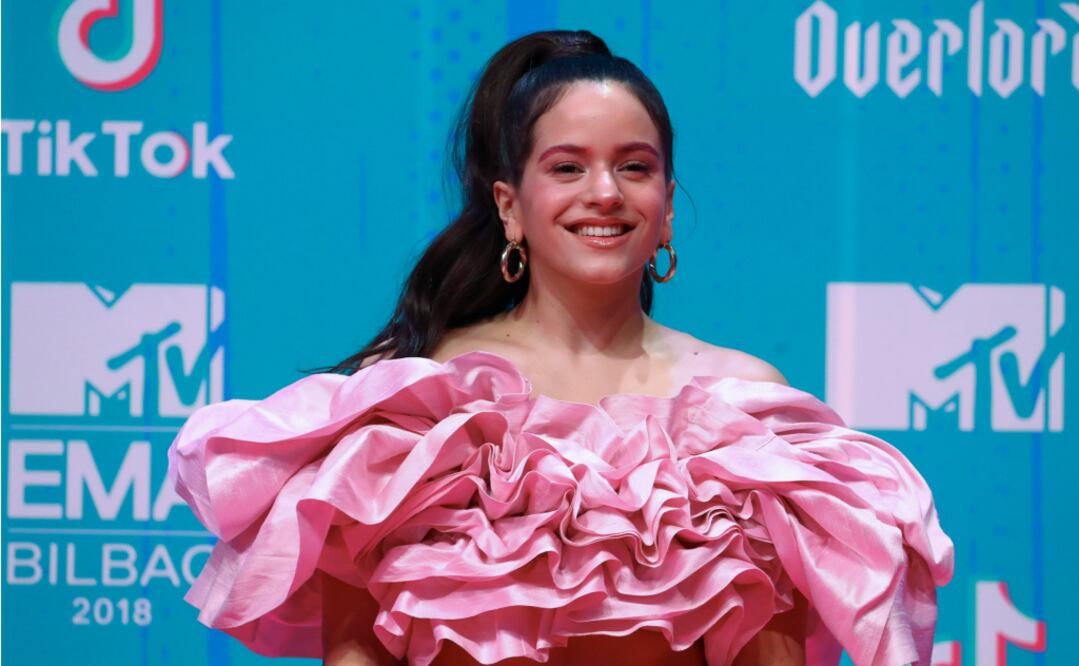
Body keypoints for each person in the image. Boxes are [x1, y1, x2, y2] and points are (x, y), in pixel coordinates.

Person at [168, 30, 954, 666]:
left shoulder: (744, 410)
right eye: (568, 167)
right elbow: (354, 648)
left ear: (668, 207)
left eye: (634, 168)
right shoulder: (416, 403)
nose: (605, 193)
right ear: (510, 206)